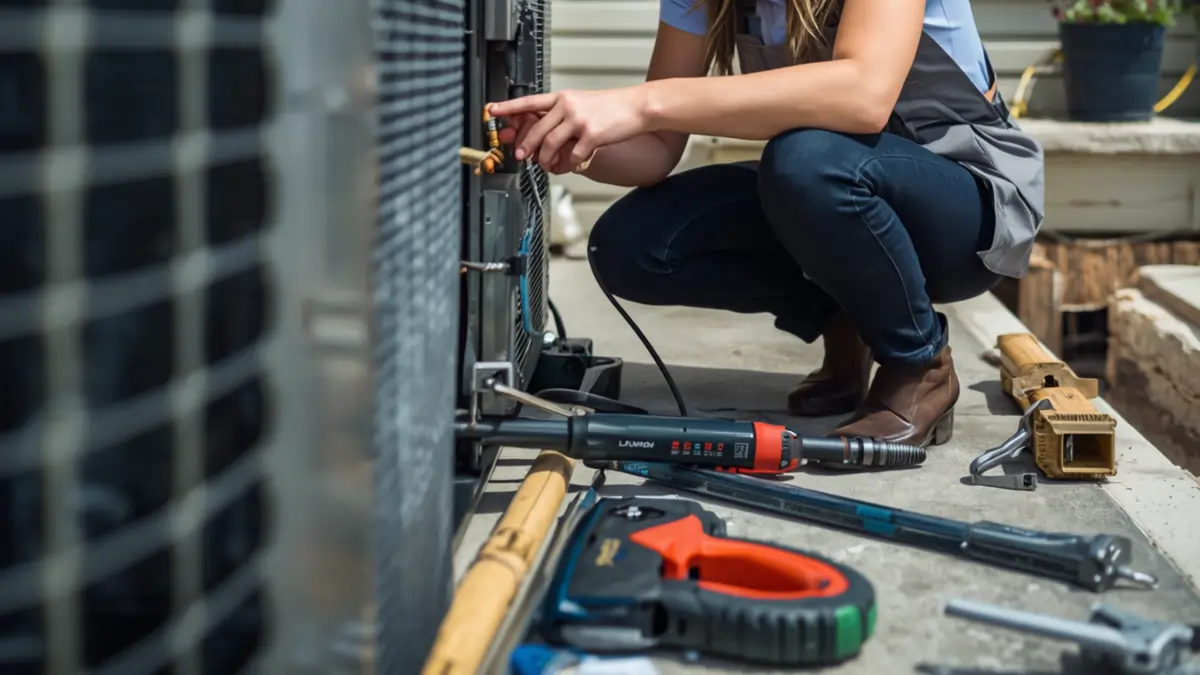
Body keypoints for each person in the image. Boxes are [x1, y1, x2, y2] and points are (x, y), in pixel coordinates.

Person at [488, 0, 1045, 447]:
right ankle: (851, 320)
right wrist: (566, 140)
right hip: (839, 185)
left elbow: (864, 96)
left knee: (804, 163)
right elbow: (654, 149)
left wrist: (642, 102)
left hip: (970, 204)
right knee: (630, 245)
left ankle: (919, 364)